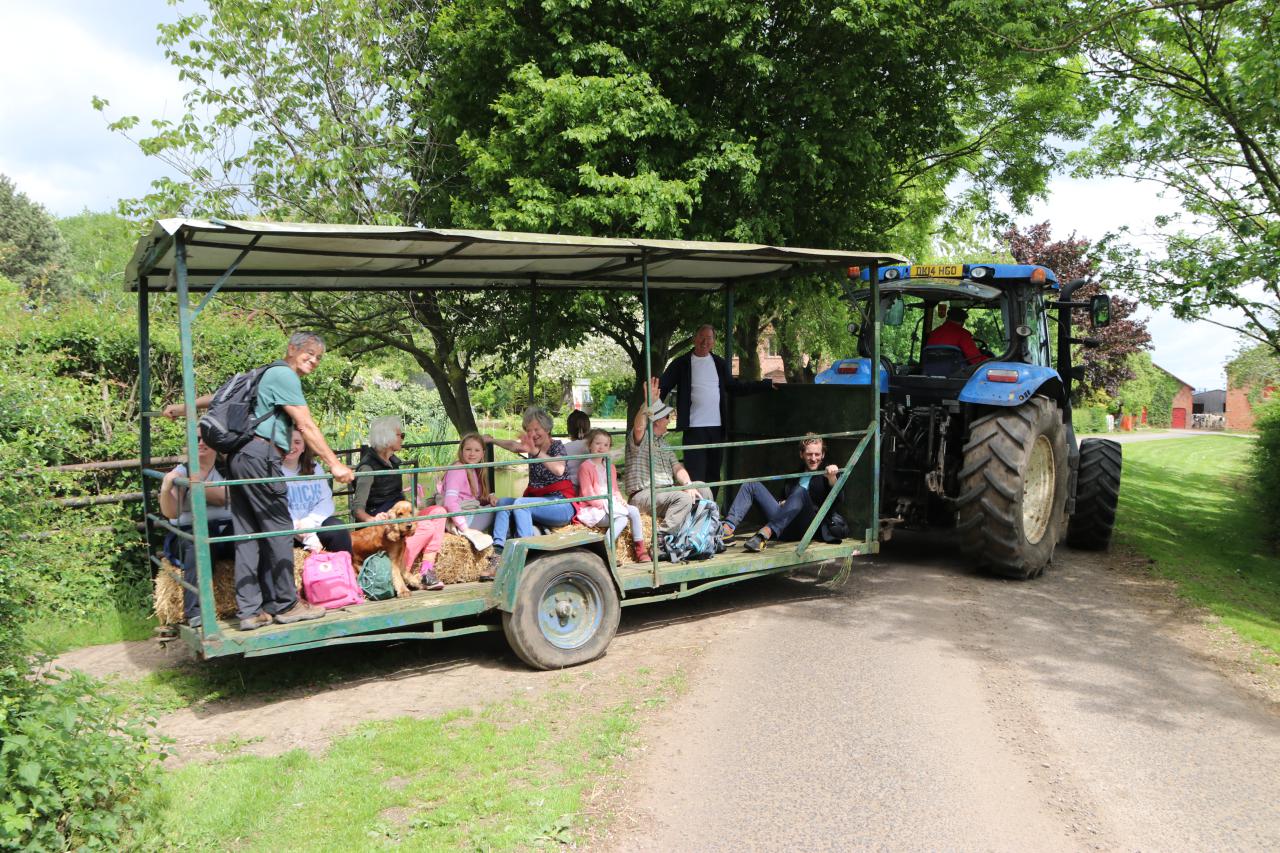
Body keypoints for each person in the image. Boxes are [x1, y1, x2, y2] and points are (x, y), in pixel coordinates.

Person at [163, 332, 355, 631]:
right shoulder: (285, 376)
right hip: (260, 456)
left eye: (319, 357)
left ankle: (250, 610)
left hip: (240, 457)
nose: (314, 360)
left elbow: (221, 396)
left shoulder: (262, 374)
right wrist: (334, 464)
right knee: (279, 528)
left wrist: (186, 407)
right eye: (309, 353)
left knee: (248, 534)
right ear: (292, 349)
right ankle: (286, 604)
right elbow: (304, 424)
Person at [659, 324, 772, 490]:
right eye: (701, 337)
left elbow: (735, 387)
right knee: (695, 476)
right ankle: (697, 513)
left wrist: (764, 385)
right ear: (694, 339)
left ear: (714, 341)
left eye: (709, 338)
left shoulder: (719, 363)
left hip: (717, 429)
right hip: (693, 430)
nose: (705, 342)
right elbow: (661, 389)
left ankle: (712, 514)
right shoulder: (681, 363)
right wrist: (658, 416)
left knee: (713, 475)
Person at [482, 406, 579, 577]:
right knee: (504, 503)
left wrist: (535, 451)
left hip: (561, 504)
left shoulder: (557, 447)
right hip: (539, 503)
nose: (533, 434)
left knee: (520, 504)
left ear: (547, 429)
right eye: (529, 430)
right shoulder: (532, 447)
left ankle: (525, 557)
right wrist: (492, 440)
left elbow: (558, 469)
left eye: (537, 429)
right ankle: (498, 555)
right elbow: (513, 445)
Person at [721, 433, 847, 553]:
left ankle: (766, 532)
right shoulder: (793, 476)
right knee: (751, 485)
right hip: (783, 524)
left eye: (817, 454)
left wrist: (832, 478)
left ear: (823, 455)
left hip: (806, 527)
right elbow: (782, 499)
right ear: (801, 454)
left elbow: (838, 499)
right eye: (809, 454)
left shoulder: (826, 475)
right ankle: (727, 529)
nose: (813, 458)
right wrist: (782, 503)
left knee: (800, 491)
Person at [158, 437, 233, 628]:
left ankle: (257, 603)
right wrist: (166, 489)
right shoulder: (182, 471)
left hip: (224, 530)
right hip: (188, 532)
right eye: (196, 438)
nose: (200, 442)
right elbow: (171, 512)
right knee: (197, 544)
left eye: (207, 438)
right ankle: (195, 611)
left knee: (251, 537)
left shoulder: (226, 469)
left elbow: (223, 497)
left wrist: (193, 484)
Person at [626, 378, 712, 540]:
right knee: (682, 498)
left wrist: (688, 485)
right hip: (644, 495)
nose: (669, 419)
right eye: (667, 417)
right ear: (657, 421)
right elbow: (639, 426)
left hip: (664, 492)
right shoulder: (643, 438)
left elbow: (678, 468)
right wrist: (647, 403)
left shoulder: (664, 444)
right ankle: (660, 540)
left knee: (703, 488)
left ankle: (702, 535)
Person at [575, 428, 651, 563]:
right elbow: (588, 494)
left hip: (610, 504)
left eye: (605, 445)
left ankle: (640, 549)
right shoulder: (585, 467)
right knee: (621, 519)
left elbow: (614, 489)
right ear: (590, 445)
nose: (601, 448)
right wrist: (605, 505)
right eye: (597, 443)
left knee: (633, 510)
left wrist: (620, 500)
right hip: (595, 508)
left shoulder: (610, 467)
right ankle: (607, 550)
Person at [279, 428, 351, 556]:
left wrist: (309, 523)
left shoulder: (315, 468)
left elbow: (325, 499)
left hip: (313, 523)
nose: (291, 446)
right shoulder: (274, 472)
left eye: (297, 442)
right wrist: (300, 531)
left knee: (338, 528)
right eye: (287, 441)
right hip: (287, 527)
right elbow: (277, 507)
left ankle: (344, 570)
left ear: (304, 447)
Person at [436, 432, 497, 534]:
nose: (472, 454)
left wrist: (489, 497)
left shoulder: (474, 470)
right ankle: (503, 544)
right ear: (462, 451)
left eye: (477, 450)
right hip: (463, 521)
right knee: (505, 506)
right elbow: (450, 502)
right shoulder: (458, 469)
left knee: (504, 504)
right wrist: (465, 528)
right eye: (468, 449)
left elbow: (472, 497)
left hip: (469, 514)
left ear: (483, 453)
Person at [352, 415, 408, 521]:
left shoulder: (393, 462)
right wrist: (373, 520)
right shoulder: (367, 468)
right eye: (400, 435)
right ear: (387, 438)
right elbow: (357, 510)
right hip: (383, 519)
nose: (402, 438)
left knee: (437, 512)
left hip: (397, 515)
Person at [561, 409, 592, 485]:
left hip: (571, 489)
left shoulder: (563, 448)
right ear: (588, 427)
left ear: (569, 429)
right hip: (592, 486)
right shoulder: (595, 446)